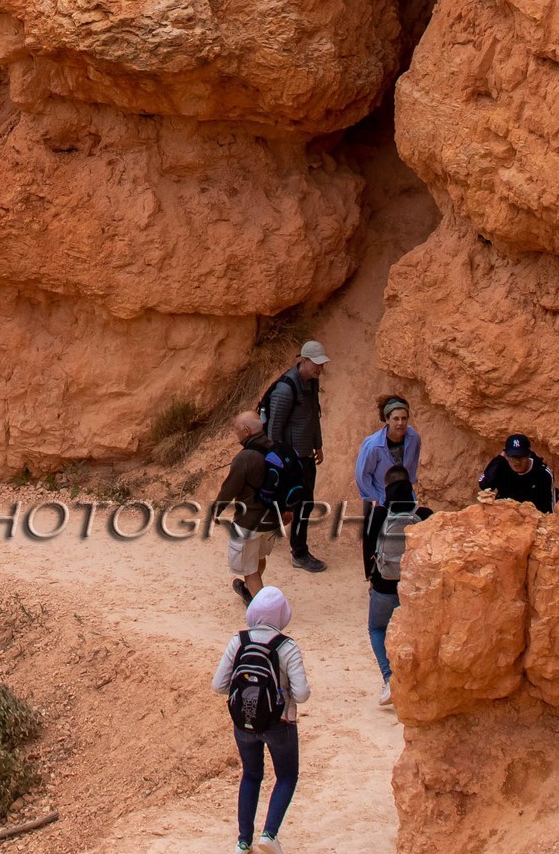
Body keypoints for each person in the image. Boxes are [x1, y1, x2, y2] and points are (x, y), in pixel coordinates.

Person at [212, 583, 310, 852]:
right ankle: (269, 834)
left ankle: (243, 841)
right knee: (287, 776)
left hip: (244, 722)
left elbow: (218, 685)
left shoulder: (238, 641)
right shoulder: (287, 647)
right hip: (279, 724)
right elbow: (301, 694)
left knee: (251, 775)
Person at [261, 341, 329, 572]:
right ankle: (299, 553)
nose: (320, 368)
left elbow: (313, 416)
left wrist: (317, 445)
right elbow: (274, 428)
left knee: (297, 503)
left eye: (322, 364)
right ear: (303, 361)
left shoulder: (312, 383)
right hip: (291, 458)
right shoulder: (285, 389)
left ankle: (266, 531)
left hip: (305, 455)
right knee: (303, 503)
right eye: (316, 364)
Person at [367, 463, 432, 706]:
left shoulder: (379, 514)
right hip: (413, 588)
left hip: (384, 585)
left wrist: (371, 580)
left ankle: (389, 679)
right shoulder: (424, 514)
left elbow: (368, 549)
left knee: (377, 629)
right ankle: (418, 682)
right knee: (415, 633)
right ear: (410, 487)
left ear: (386, 488)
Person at [216, 409, 280, 603]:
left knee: (249, 570)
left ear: (246, 431)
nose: (235, 433)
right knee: (259, 558)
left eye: (236, 429)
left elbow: (230, 488)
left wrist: (216, 510)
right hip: (271, 519)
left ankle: (264, 610)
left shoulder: (245, 457)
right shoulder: (277, 449)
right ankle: (249, 591)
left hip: (249, 521)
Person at [356, 395, 422, 581]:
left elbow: (412, 466)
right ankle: (372, 576)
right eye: (395, 419)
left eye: (404, 418)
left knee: (403, 536)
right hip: (379, 497)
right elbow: (362, 475)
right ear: (386, 420)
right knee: (373, 536)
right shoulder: (373, 445)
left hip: (403, 496)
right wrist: (376, 498)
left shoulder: (414, 438)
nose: (400, 423)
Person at [478, 432, 557, 512]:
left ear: (529, 455)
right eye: (513, 458)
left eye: (521, 458)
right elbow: (484, 485)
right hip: (505, 515)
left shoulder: (542, 472)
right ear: (505, 455)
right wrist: (499, 459)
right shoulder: (501, 466)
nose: (517, 462)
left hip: (533, 518)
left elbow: (552, 507)